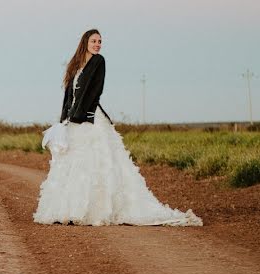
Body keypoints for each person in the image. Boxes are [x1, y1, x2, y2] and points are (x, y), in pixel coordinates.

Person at [34, 29, 202, 226]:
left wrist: (79, 115)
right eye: (94, 41)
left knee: (95, 162)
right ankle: (68, 210)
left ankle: (91, 211)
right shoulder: (76, 66)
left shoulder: (99, 61)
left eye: (100, 41)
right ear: (85, 42)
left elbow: (94, 92)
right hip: (73, 119)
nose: (97, 44)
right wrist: (65, 119)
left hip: (90, 119)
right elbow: (68, 96)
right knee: (73, 163)